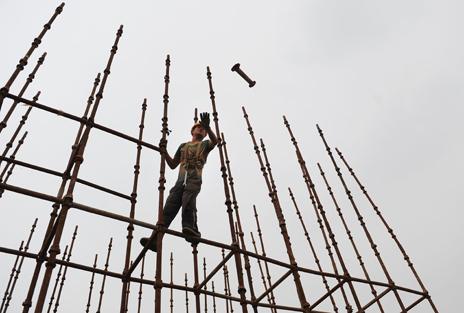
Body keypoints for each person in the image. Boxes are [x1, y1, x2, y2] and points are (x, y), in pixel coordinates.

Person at [140, 112, 217, 252]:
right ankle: (156, 240)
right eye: (198, 127)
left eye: (203, 129)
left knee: (188, 201)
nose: (201, 129)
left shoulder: (205, 145)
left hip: (194, 179)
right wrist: (163, 151)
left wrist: (209, 127)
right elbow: (172, 164)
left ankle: (190, 229)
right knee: (168, 208)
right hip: (180, 181)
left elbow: (215, 141)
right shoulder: (183, 146)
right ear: (192, 131)